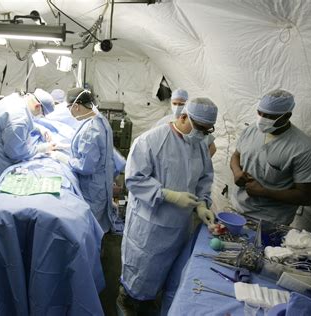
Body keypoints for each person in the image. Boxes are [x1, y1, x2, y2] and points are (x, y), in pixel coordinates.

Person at [117, 98, 218, 314]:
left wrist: (202, 204)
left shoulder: (199, 145)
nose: (202, 134)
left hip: (179, 226)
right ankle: (127, 303)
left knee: (164, 275)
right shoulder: (151, 141)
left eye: (207, 130)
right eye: (199, 128)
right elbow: (134, 179)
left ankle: (148, 302)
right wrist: (166, 194)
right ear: (183, 117)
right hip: (149, 228)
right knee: (139, 278)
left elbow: (204, 178)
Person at [230, 89, 311, 225]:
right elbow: (236, 156)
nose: (262, 119)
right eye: (259, 113)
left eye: (269, 116)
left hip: (270, 221)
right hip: (237, 209)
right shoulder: (251, 130)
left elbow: (307, 197)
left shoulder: (304, 150)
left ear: (287, 116)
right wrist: (237, 172)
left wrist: (264, 192)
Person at [0, 89, 56, 207]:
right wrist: (43, 148)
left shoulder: (15, 99)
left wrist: (38, 128)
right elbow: (17, 152)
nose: (39, 116)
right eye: (41, 114)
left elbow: (13, 122)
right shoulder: (19, 119)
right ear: (37, 106)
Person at [51, 88, 119, 233]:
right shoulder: (100, 119)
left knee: (91, 229)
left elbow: (85, 166)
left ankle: (94, 253)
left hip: (92, 189)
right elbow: (93, 150)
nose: (69, 112)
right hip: (101, 184)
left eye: (69, 108)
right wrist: (66, 146)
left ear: (76, 106)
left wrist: (64, 158)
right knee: (99, 224)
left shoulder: (91, 130)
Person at [156, 88, 217, 157]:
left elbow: (212, 147)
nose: (177, 107)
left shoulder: (199, 128)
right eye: (175, 103)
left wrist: (203, 162)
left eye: (181, 104)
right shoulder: (163, 123)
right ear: (183, 118)